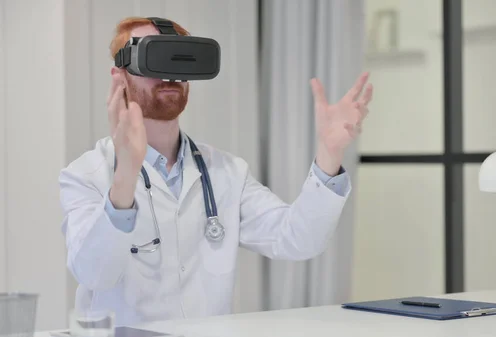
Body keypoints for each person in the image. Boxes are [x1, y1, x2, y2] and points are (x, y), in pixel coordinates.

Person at [59, 17, 373, 326]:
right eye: (155, 58)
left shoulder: (227, 172)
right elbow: (94, 273)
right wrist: (125, 175)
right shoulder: (87, 174)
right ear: (120, 76)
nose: (169, 74)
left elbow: (299, 239)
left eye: (180, 60)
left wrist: (329, 153)